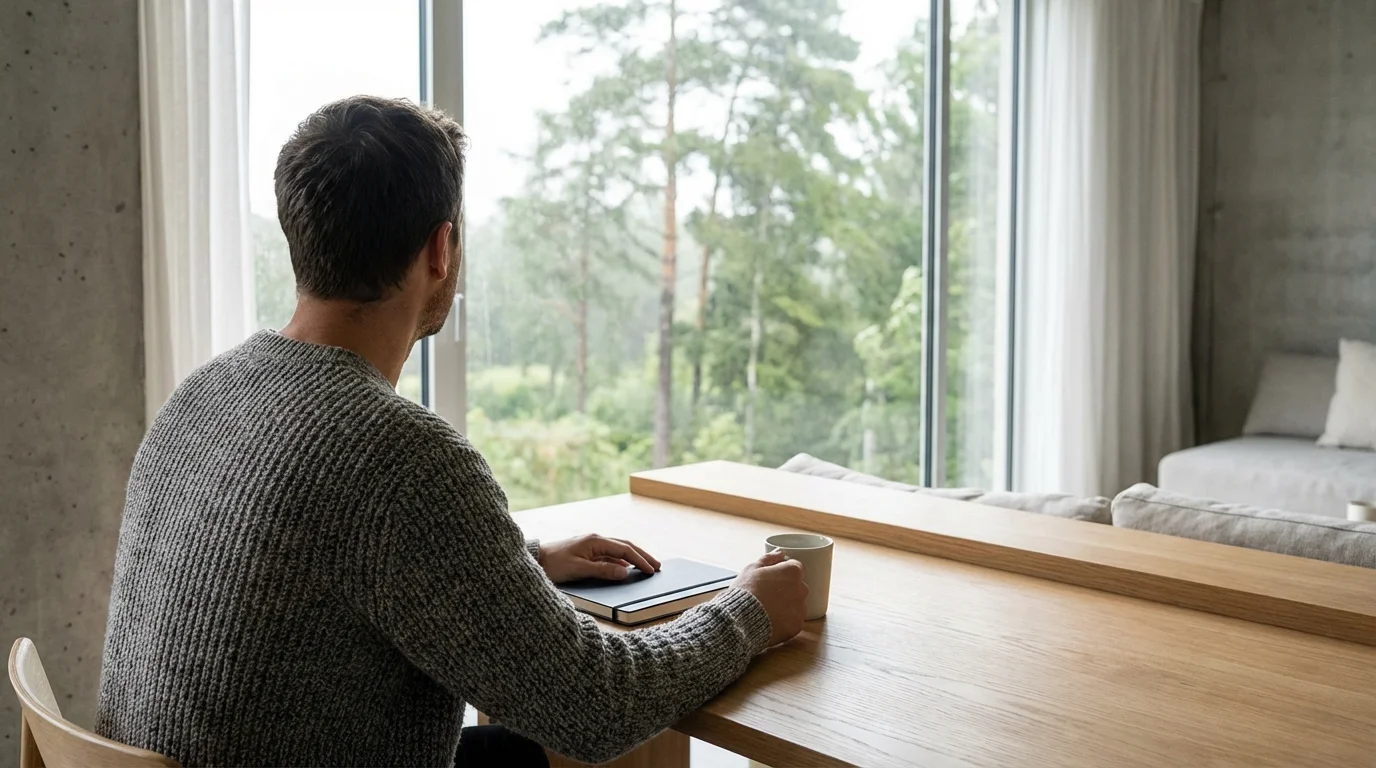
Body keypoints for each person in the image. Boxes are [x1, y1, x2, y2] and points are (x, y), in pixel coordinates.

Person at [94, 95, 809, 768]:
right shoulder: (399, 457)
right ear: (441, 250)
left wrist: (520, 560)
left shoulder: (206, 390)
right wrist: (748, 611)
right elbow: (598, 704)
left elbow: (309, 564)